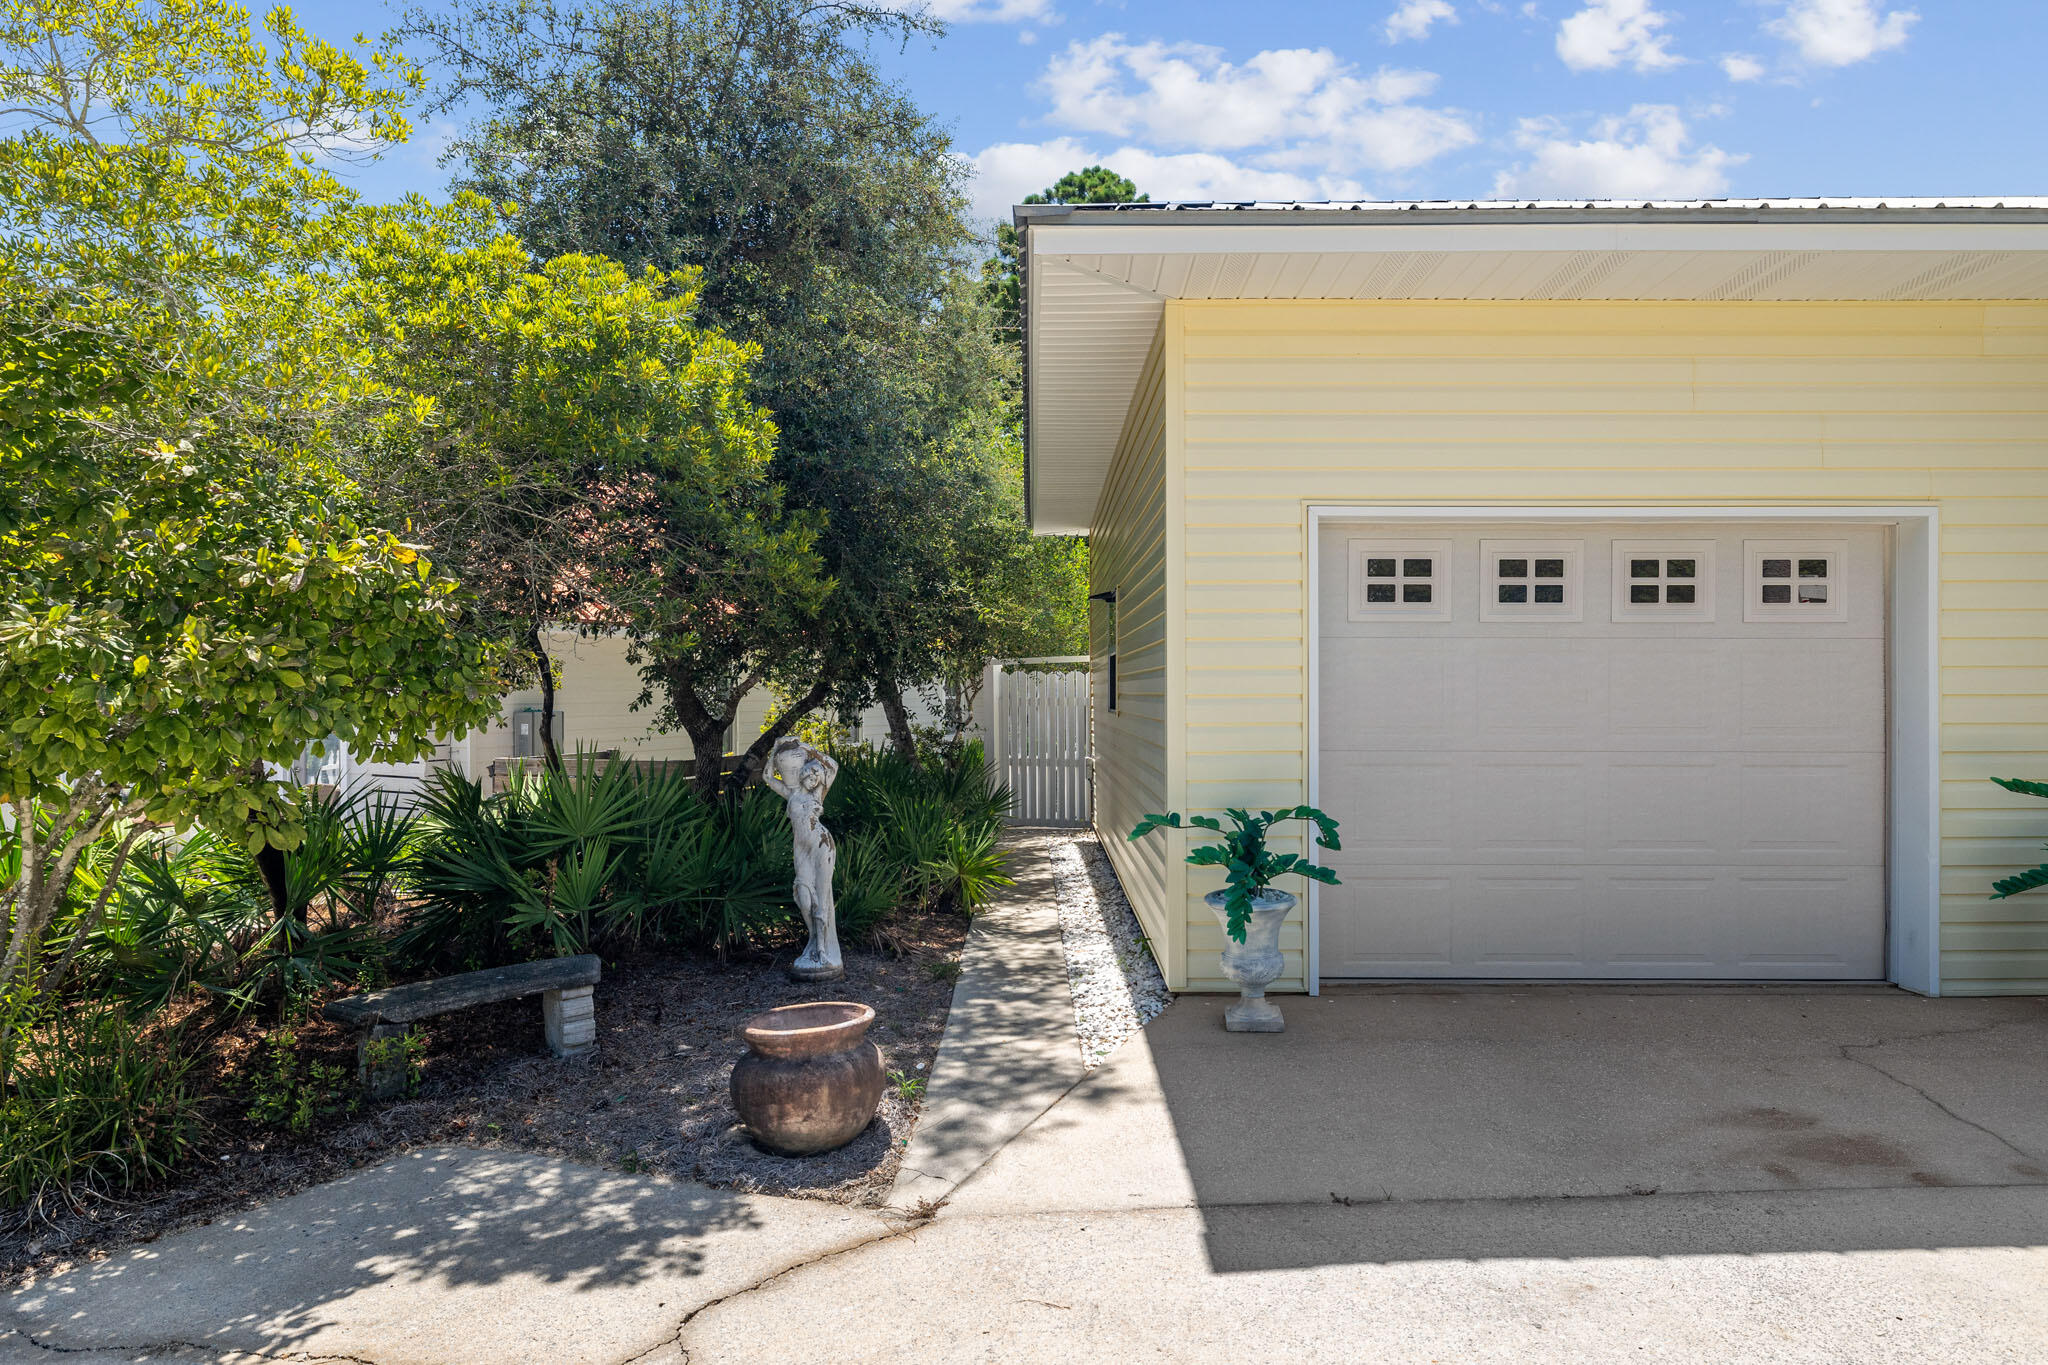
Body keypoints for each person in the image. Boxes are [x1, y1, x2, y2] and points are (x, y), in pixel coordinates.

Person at [764, 737, 842, 980]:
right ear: (801, 775)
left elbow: (834, 766)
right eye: (808, 776)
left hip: (822, 845)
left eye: (815, 777)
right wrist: (775, 749)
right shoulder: (791, 793)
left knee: (822, 895)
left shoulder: (819, 793)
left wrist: (811, 750)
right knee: (804, 898)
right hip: (802, 850)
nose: (812, 780)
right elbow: (767, 777)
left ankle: (823, 950)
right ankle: (813, 939)